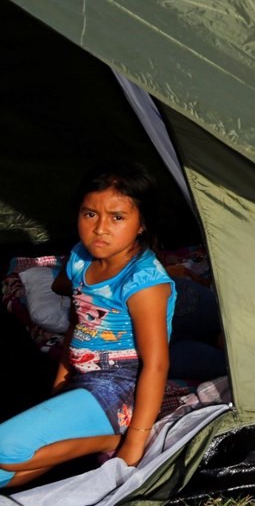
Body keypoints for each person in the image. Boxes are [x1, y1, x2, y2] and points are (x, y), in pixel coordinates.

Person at [0, 162, 176, 488]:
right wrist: (61, 383)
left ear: (142, 224)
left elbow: (156, 363)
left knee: (5, 449)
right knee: (3, 474)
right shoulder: (81, 258)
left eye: (117, 217)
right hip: (85, 376)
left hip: (120, 385)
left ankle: (110, 441)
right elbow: (77, 321)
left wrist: (136, 440)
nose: (100, 228)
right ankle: (89, 439)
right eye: (90, 214)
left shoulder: (143, 283)